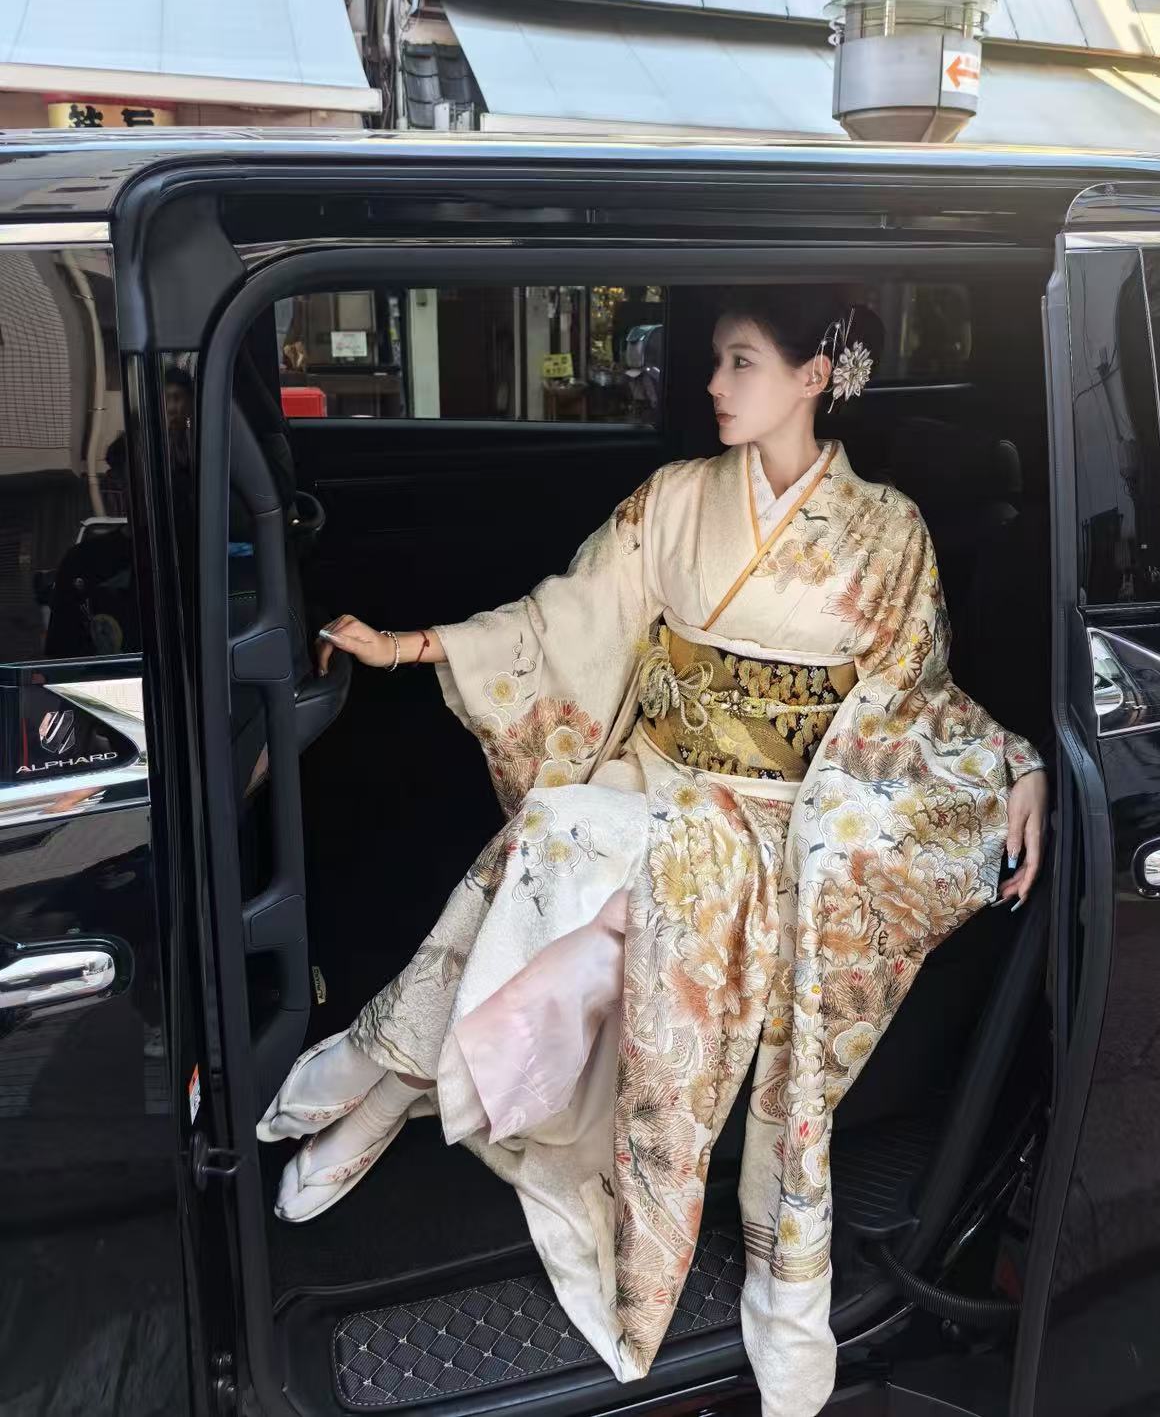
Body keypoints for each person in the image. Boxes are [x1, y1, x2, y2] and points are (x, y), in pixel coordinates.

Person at [258, 286, 1048, 1417]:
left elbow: (914, 703)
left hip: (779, 825)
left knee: (599, 890)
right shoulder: (677, 497)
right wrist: (409, 645)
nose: (713, 385)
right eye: (716, 361)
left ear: (813, 376)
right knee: (554, 844)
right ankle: (395, 1080)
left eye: (739, 362)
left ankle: (390, 1075)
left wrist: (1014, 764)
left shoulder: (888, 534)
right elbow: (565, 619)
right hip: (653, 774)